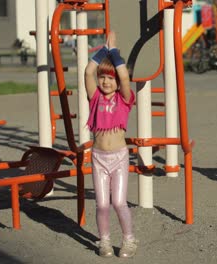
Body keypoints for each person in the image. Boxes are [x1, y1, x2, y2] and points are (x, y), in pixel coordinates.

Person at [84, 31, 138, 258]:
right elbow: (88, 71)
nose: (106, 81)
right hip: (98, 157)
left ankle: (129, 240)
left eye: (110, 77)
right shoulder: (95, 97)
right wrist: (102, 51)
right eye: (103, 77)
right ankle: (104, 241)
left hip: (118, 157)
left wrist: (114, 51)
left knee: (118, 202)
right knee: (102, 204)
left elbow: (125, 77)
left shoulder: (124, 99)